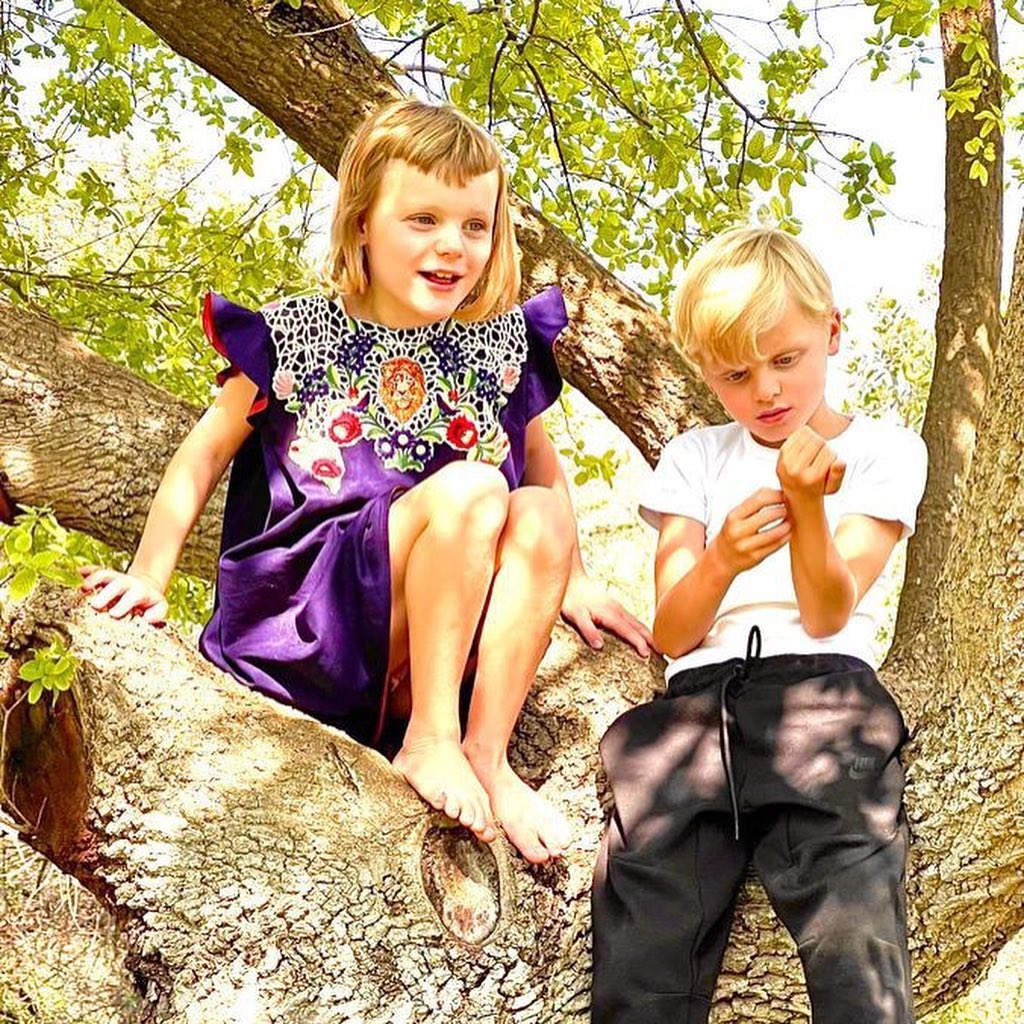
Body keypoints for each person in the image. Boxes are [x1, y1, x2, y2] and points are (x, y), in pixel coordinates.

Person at [80, 99, 652, 865]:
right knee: (474, 489)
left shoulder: (493, 355)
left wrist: (573, 578)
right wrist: (150, 575)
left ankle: (483, 751)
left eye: (474, 226)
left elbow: (542, 465)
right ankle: (432, 741)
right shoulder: (299, 335)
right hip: (308, 633)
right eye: (423, 220)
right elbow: (203, 454)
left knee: (543, 512)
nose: (451, 245)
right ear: (361, 225)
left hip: (419, 656)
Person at [591, 226, 927, 1022]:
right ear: (705, 370)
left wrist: (807, 505)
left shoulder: (886, 450)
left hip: (822, 700)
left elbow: (829, 609)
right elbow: (674, 630)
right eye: (736, 375)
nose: (767, 390)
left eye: (786, 359)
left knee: (855, 930)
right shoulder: (695, 457)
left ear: (832, 331)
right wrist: (721, 560)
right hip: (694, 709)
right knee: (643, 942)